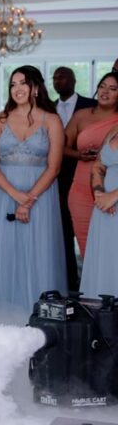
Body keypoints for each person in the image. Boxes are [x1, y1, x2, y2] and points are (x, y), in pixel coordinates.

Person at [0, 66, 66, 310]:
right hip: (2, 193)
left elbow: (54, 167)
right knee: (3, 250)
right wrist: (16, 196)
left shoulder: (52, 120)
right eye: (13, 84)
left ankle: (37, 310)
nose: (17, 89)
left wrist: (29, 200)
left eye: (23, 83)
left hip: (41, 195)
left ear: (35, 87)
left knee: (37, 251)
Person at [63, 72, 118, 257]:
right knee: (87, 249)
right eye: (102, 86)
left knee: (110, 251)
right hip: (80, 190)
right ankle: (91, 286)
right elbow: (61, 146)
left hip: (112, 190)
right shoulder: (81, 115)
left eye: (113, 89)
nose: (105, 92)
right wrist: (79, 154)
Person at [53, 66, 97, 288]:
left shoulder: (91, 105)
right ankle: (69, 279)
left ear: (73, 80)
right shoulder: (48, 108)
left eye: (61, 77)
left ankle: (93, 277)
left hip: (88, 173)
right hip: (56, 176)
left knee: (90, 229)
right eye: (54, 78)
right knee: (61, 230)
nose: (57, 81)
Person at [79, 122, 118, 297]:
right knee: (107, 260)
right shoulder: (115, 128)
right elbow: (98, 165)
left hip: (112, 201)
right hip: (104, 208)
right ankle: (106, 316)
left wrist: (114, 196)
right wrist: (99, 193)